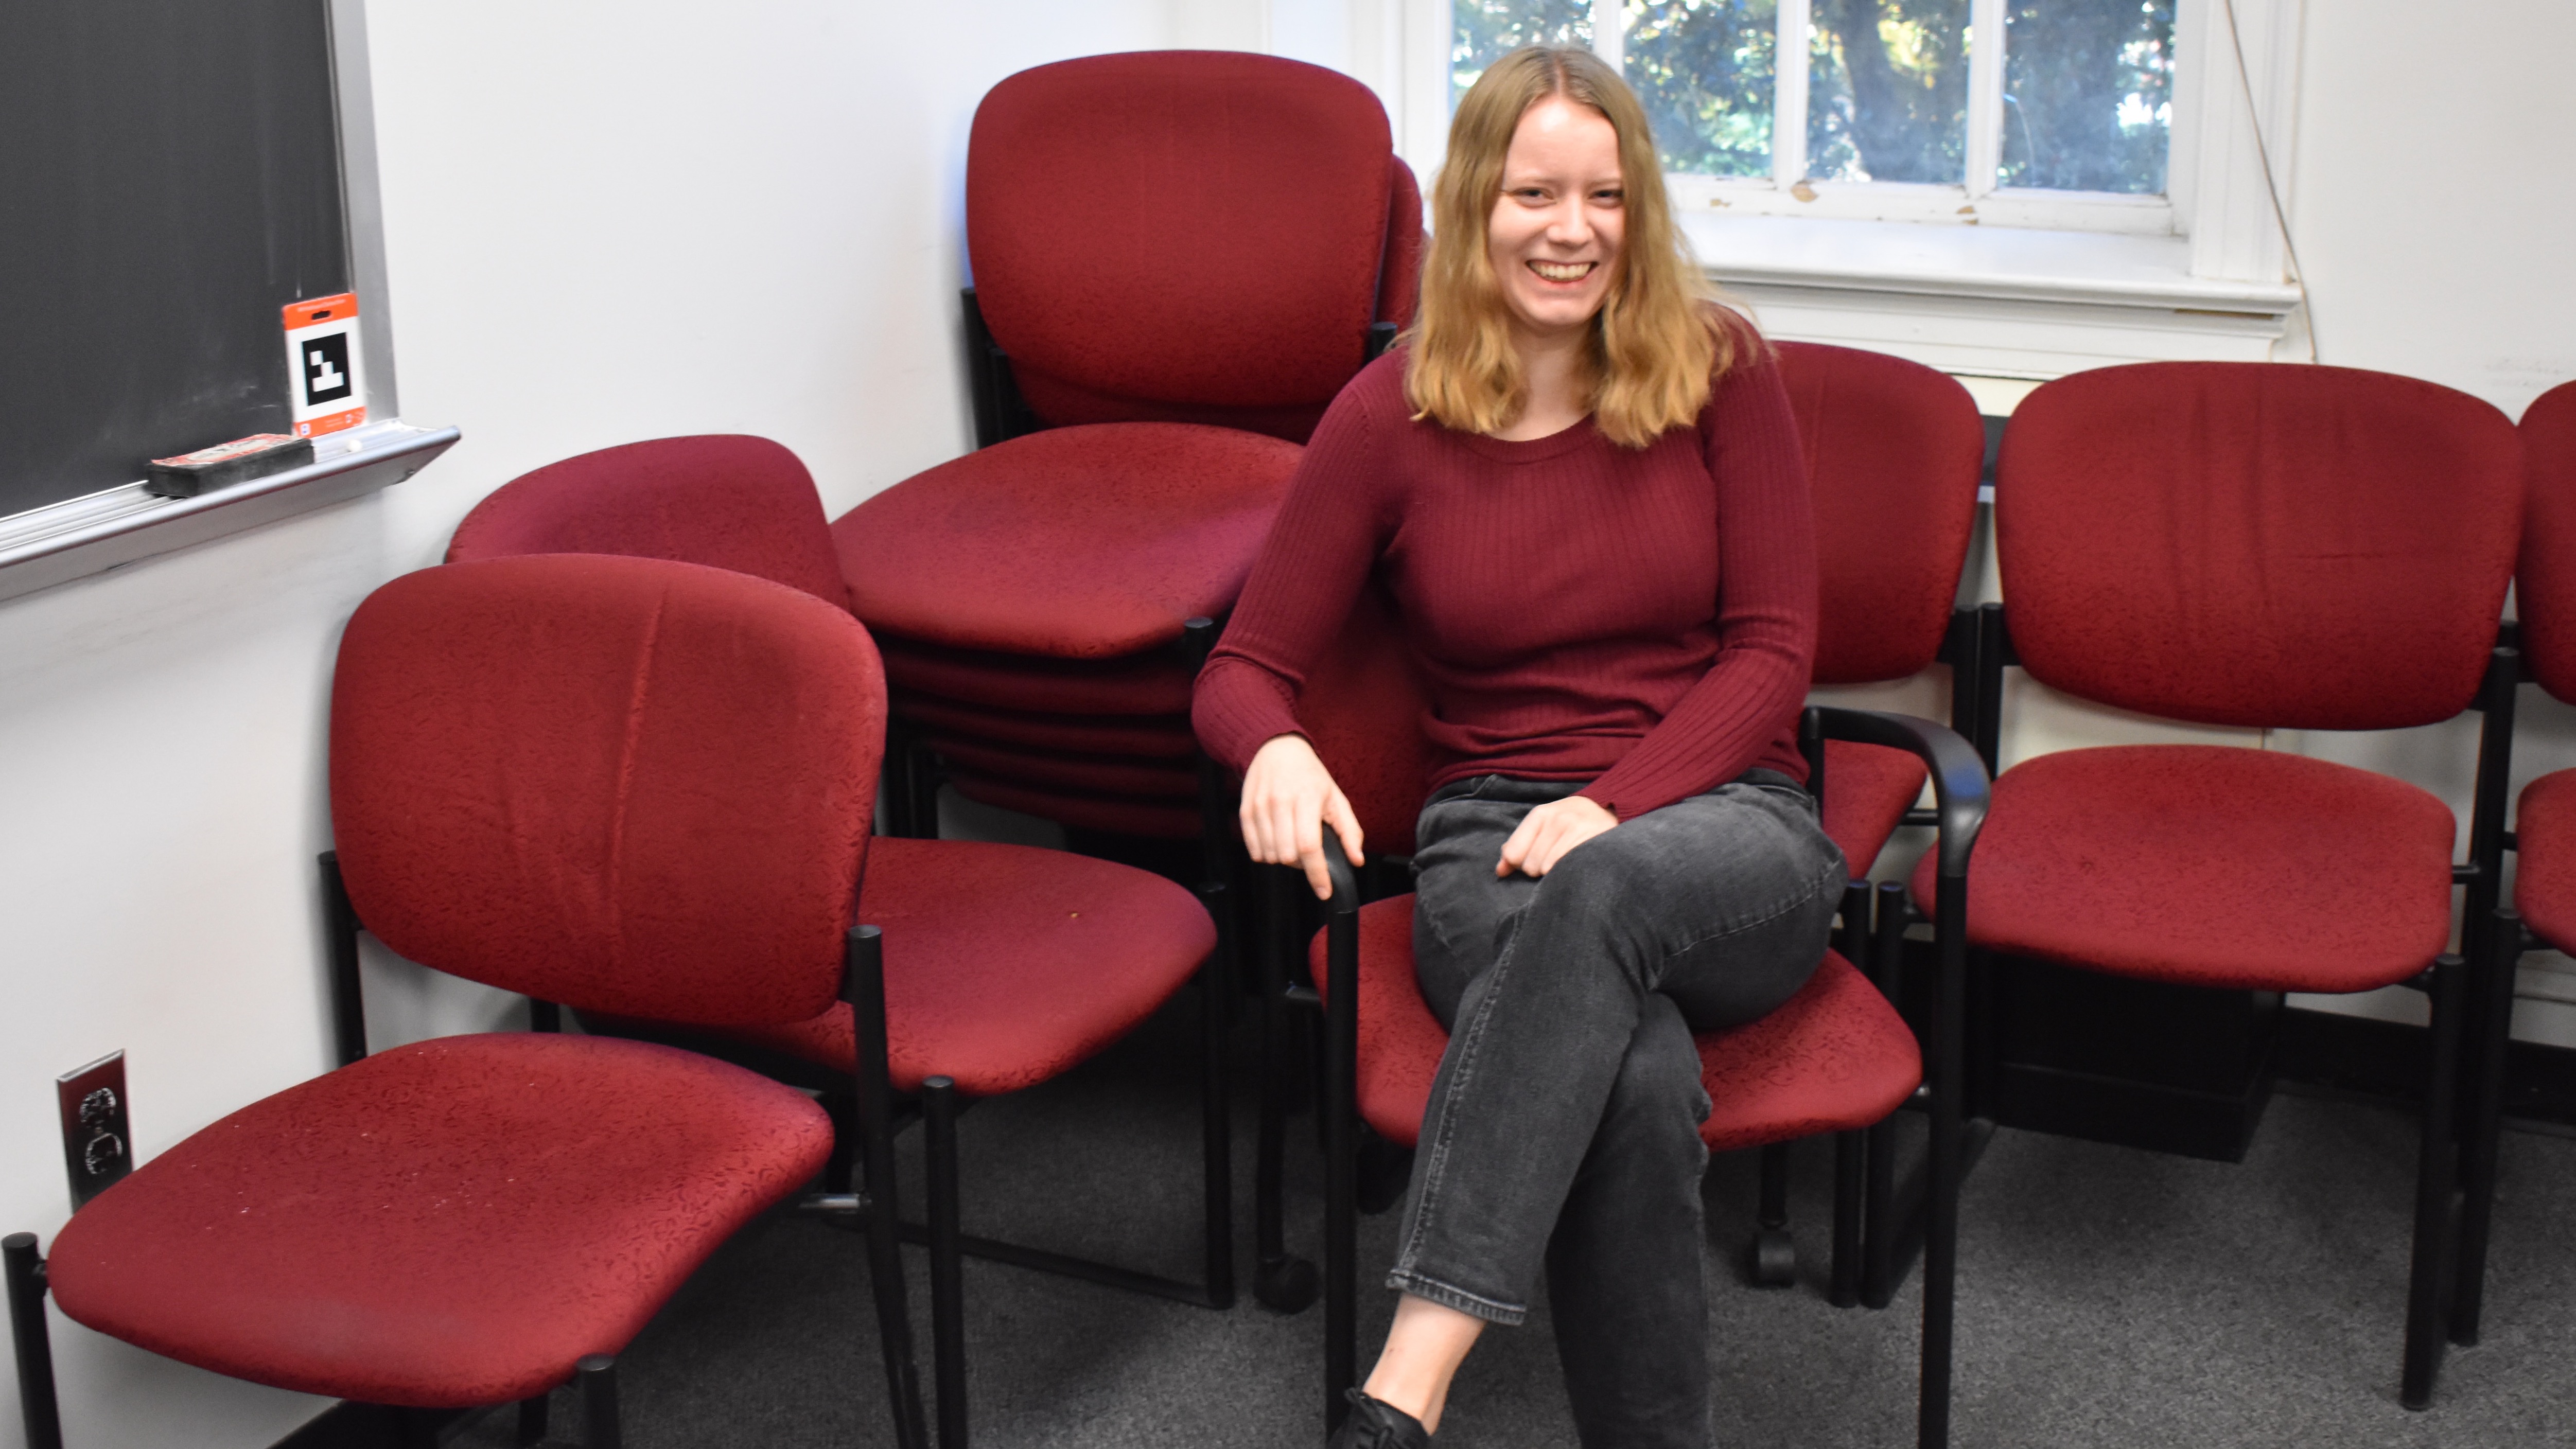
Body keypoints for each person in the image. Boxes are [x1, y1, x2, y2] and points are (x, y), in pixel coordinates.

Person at [1190, 43, 1844, 1449]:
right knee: (1643, 1077)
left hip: (1730, 825)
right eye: (1537, 191)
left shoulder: (1721, 372)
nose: (1573, 229)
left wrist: (1617, 807)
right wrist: (1273, 752)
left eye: (1606, 196)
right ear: (1475, 202)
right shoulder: (1395, 410)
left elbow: (1775, 656)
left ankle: (1403, 1387)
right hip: (1488, 842)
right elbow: (1244, 666)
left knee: (1603, 889)